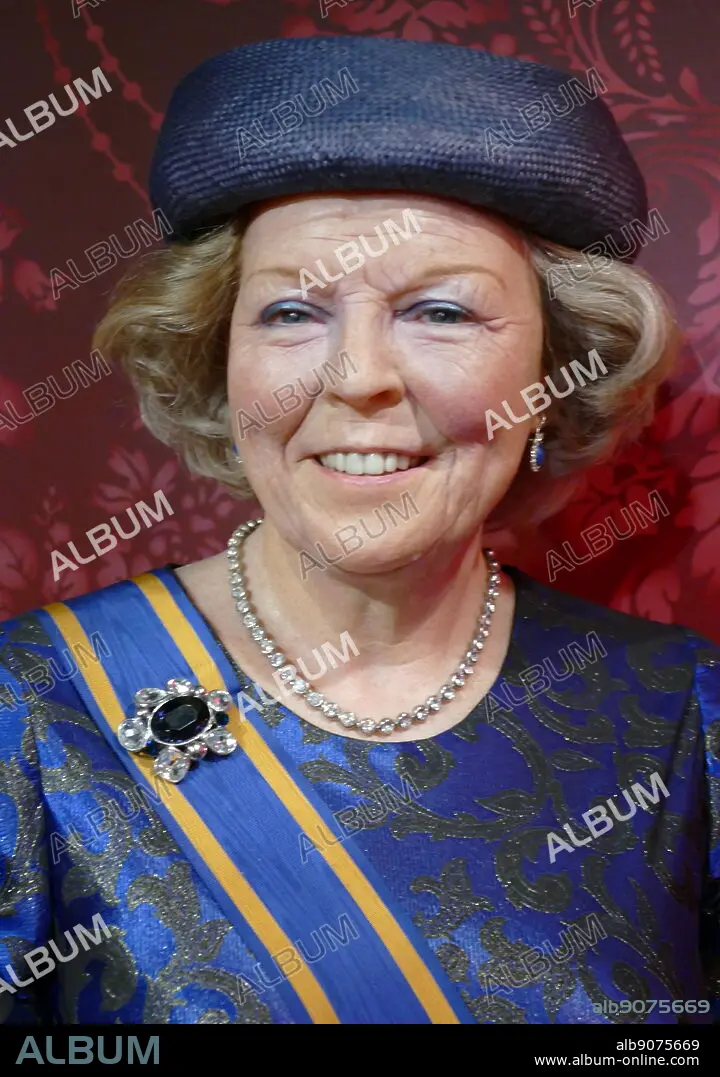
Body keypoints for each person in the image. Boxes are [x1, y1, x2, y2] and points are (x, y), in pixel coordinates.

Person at [0, 34, 718, 1026]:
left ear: (555, 375)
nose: (358, 377)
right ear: (219, 363)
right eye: (292, 312)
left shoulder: (684, 716)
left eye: (442, 313)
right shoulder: (32, 709)